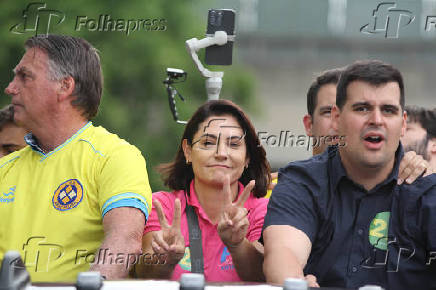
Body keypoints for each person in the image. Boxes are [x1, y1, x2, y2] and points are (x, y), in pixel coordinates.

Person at [263, 60, 436, 289]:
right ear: (336, 118)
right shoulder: (301, 182)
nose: (376, 119)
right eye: (362, 108)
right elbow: (284, 252)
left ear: (402, 124)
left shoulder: (427, 191)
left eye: (388, 110)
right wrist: (294, 281)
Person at [0, 35, 152, 282]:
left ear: (65, 86)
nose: (10, 87)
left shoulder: (115, 157)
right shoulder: (4, 168)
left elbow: (123, 243)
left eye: (24, 77)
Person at [135, 100, 270, 282]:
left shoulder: (265, 209)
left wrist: (237, 245)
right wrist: (165, 258)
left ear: (247, 158)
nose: (221, 153)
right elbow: (142, 273)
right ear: (188, 151)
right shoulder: (162, 205)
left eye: (234, 145)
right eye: (208, 143)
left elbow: (268, 275)